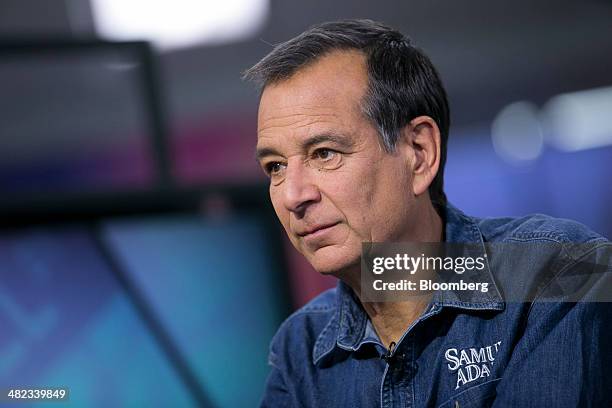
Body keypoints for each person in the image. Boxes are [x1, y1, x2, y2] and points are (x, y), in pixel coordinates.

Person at [243, 19, 611, 407]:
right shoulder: (300, 350)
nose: (293, 196)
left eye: (324, 153)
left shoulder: (557, 272)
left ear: (419, 154)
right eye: (275, 167)